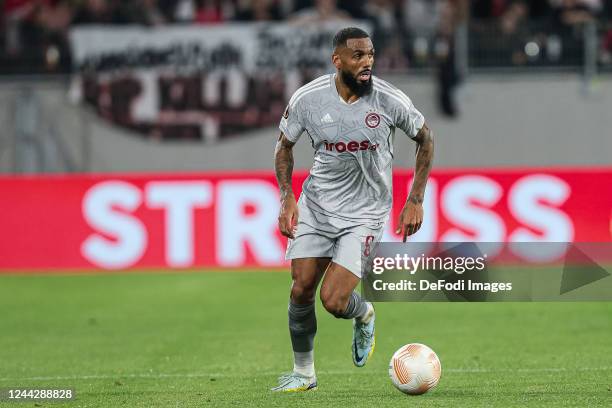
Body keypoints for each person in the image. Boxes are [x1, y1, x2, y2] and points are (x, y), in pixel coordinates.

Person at [272, 27, 434, 392]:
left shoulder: (389, 99)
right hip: (317, 206)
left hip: (365, 212)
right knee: (300, 289)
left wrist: (416, 199)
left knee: (333, 300)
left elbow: (426, 138)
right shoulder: (308, 100)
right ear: (338, 60)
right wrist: (287, 196)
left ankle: (363, 313)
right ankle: (304, 374)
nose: (367, 63)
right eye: (358, 56)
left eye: (371, 55)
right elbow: (284, 147)